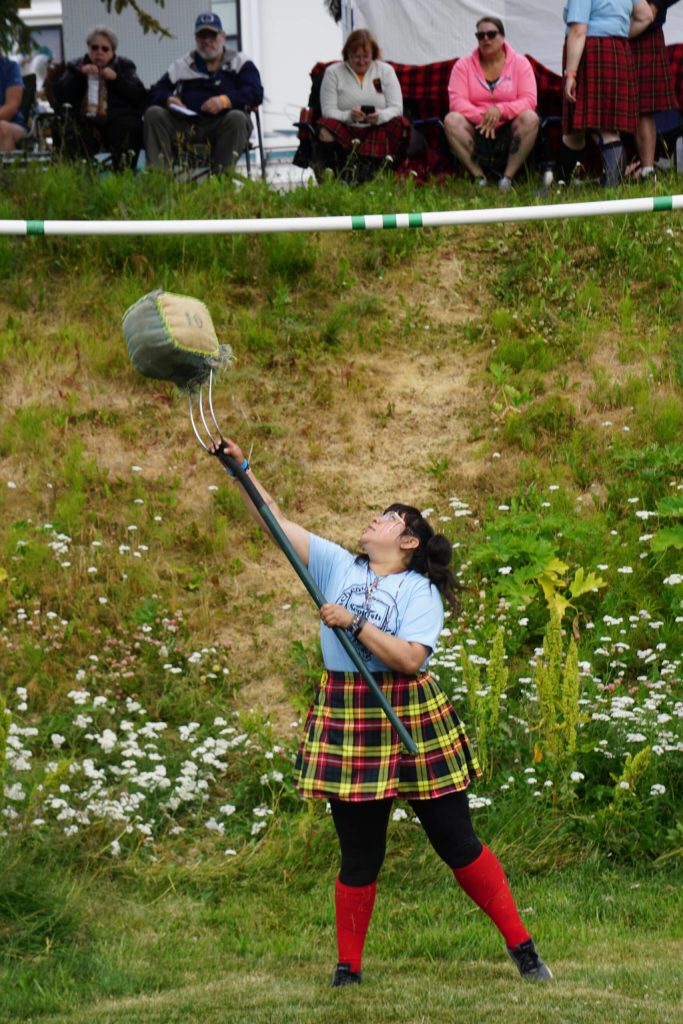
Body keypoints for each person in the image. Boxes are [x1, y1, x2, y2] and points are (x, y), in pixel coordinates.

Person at [211, 436, 553, 988]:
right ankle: (348, 969)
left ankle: (524, 950)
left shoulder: (420, 592)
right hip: (349, 713)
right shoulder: (334, 563)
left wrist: (354, 623)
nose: (377, 518)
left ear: (409, 540)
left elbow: (411, 660)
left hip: (410, 711)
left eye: (390, 517)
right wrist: (239, 468)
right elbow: (273, 521)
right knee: (359, 853)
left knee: (457, 842)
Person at [144, 13, 263, 176]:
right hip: (187, 126)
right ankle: (158, 183)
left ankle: (220, 183)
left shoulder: (240, 62)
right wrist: (168, 99)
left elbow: (256, 92)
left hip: (223, 126)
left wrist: (225, 100)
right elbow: (157, 89)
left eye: (212, 35)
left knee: (237, 118)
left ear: (223, 37)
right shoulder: (182, 64)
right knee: (154, 114)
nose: (206, 40)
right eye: (202, 35)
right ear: (196, 38)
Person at [561, 0, 655, 186]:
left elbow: (578, 30)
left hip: (591, 51)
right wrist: (615, 33)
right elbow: (646, 16)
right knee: (578, 127)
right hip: (618, 50)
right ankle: (564, 183)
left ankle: (612, 187)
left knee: (604, 128)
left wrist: (571, 73)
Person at [443, 18, 539, 190]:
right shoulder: (463, 65)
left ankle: (507, 178)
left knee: (530, 118)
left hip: (510, 126)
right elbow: (456, 102)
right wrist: (486, 116)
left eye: (491, 34)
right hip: (477, 126)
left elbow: (530, 100)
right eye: (480, 36)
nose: (485, 39)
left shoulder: (521, 63)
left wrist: (500, 110)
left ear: (503, 37)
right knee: (451, 120)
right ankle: (479, 177)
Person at [316, 29, 411, 179]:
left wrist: (380, 116)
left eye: (366, 57)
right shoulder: (332, 73)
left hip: (377, 128)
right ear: (348, 54)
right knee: (324, 127)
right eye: (356, 57)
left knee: (402, 124)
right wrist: (349, 115)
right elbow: (327, 111)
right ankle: (337, 176)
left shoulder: (386, 71)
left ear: (373, 54)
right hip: (346, 129)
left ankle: (392, 174)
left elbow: (397, 108)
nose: (361, 61)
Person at [53, 26, 147, 170]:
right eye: (94, 48)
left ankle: (122, 178)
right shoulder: (75, 66)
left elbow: (139, 95)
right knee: (69, 129)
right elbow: (60, 96)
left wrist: (117, 79)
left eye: (105, 49)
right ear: (88, 49)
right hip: (84, 122)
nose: (99, 52)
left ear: (113, 51)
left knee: (129, 128)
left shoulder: (124, 66)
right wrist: (79, 76)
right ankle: (82, 180)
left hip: (116, 122)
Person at [629, 1, 681, 179]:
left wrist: (657, 4)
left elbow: (649, 13)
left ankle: (647, 171)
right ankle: (618, 168)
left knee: (643, 109)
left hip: (645, 35)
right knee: (607, 107)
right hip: (614, 34)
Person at [0, 53, 27, 152]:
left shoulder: (10, 67)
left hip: (12, 125)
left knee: (2, 128)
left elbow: (12, 107)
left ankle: (6, 167)